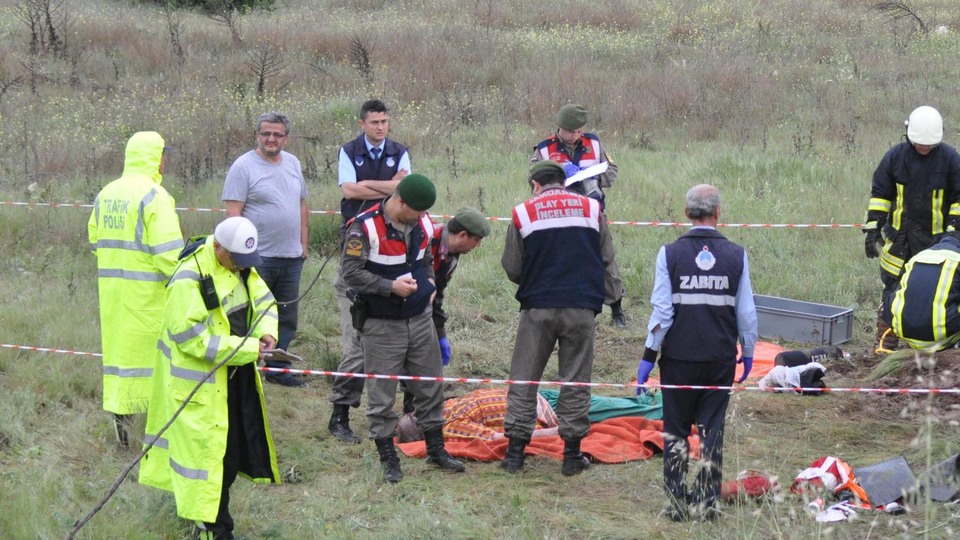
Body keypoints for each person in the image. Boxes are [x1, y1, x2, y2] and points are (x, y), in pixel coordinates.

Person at [139, 216, 281, 540]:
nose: (240, 268)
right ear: (218, 247)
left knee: (228, 457)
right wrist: (248, 348)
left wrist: (267, 333)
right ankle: (213, 531)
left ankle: (215, 524)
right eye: (235, 260)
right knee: (207, 463)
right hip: (198, 389)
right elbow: (193, 339)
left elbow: (264, 301)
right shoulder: (188, 279)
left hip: (232, 377)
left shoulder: (239, 264)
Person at [636, 184, 758, 522]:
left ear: (687, 213)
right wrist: (748, 351)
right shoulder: (737, 255)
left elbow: (662, 313)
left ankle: (675, 505)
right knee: (712, 432)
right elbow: (746, 313)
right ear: (718, 212)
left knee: (675, 430)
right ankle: (706, 505)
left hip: (677, 360)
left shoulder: (669, 254)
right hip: (719, 360)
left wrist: (648, 356)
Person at [339, 173, 465, 483]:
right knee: (382, 394)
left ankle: (436, 450)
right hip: (381, 324)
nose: (422, 218)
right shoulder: (364, 227)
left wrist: (431, 281)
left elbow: (423, 261)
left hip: (419, 319)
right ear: (400, 201)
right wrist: (389, 286)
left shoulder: (421, 224)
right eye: (417, 211)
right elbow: (350, 274)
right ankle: (388, 458)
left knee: (430, 385)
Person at [500, 160, 618, 476]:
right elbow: (606, 256)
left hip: (537, 306)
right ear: (563, 183)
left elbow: (512, 266)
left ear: (535, 185)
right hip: (581, 306)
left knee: (524, 378)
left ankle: (514, 455)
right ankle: (572, 455)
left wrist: (537, 279)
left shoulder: (523, 212)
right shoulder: (591, 209)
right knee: (576, 379)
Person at [87, 131, 183, 448]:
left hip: (114, 298)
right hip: (148, 301)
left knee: (119, 368)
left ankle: (123, 439)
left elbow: (95, 241)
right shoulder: (155, 196)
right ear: (155, 157)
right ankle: (149, 443)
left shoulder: (107, 193)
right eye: (163, 155)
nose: (165, 160)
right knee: (149, 371)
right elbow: (170, 258)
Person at [329, 99, 412, 442]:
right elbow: (349, 190)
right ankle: (340, 415)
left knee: (404, 341)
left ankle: (409, 417)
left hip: (391, 256)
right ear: (362, 123)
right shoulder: (348, 151)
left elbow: (405, 188)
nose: (380, 127)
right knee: (357, 347)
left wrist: (372, 186)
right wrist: (389, 186)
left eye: (385, 121)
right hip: (358, 259)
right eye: (374, 122)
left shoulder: (399, 150)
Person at [222, 111, 309, 388]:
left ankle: (277, 368)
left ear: (286, 138)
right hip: (258, 257)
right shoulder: (243, 166)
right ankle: (245, 365)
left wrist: (303, 244)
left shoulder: (293, 163)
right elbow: (233, 214)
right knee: (251, 312)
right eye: (266, 133)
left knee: (286, 315)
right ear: (257, 135)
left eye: (277, 134)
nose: (271, 139)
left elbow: (302, 205)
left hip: (291, 256)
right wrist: (237, 254)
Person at [863, 105, 960, 350]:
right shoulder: (895, 158)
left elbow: (959, 198)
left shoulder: (950, 160)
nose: (924, 148)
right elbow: (881, 194)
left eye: (929, 145)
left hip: (937, 243)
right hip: (900, 241)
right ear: (908, 135)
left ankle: (940, 347)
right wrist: (874, 227)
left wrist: (954, 229)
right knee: (892, 289)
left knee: (937, 294)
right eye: (919, 144)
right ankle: (885, 346)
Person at [532, 104, 627, 327]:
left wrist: (590, 179)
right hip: (558, 214)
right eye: (572, 131)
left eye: (579, 131)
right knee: (563, 261)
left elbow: (611, 171)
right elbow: (533, 179)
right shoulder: (545, 149)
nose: (576, 136)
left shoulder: (593, 143)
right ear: (560, 128)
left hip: (592, 211)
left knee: (606, 258)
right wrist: (558, 177)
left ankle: (617, 310)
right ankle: (566, 308)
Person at [400, 206, 491, 414]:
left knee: (425, 352)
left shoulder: (452, 255)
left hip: (423, 305)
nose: (477, 246)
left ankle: (411, 403)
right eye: (476, 240)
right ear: (461, 235)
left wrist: (440, 334)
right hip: (396, 302)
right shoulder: (425, 240)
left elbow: (437, 295)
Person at [883, 232, 960, 352]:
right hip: (941, 337)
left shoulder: (919, 257)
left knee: (894, 297)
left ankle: (888, 344)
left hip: (906, 333)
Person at [397, 388, 560, 443]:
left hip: (538, 403)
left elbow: (497, 438)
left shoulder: (446, 411)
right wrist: (555, 432)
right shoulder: (450, 425)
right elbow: (497, 438)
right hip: (540, 409)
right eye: (415, 417)